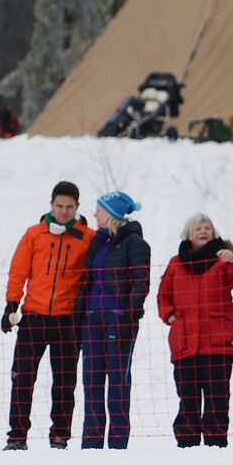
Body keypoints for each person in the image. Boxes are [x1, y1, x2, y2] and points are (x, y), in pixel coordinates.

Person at [1, 181, 94, 450]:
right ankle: (17, 435)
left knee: (64, 381)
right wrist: (11, 304)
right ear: (51, 205)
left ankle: (60, 434)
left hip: (67, 320)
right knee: (22, 377)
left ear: (77, 207)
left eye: (69, 207)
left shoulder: (87, 237)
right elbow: (19, 271)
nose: (63, 212)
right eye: (59, 206)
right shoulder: (34, 234)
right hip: (34, 317)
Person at [158, 213, 233, 448]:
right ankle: (187, 445)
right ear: (188, 234)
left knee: (216, 400)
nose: (203, 231)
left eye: (207, 228)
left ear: (214, 233)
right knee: (187, 399)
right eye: (197, 228)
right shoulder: (175, 263)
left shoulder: (225, 259)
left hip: (218, 345)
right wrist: (169, 315)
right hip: (184, 344)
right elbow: (163, 295)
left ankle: (216, 444)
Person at [76, 190, 150, 449]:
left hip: (118, 319)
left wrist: (129, 316)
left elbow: (141, 284)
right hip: (92, 320)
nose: (95, 213)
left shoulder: (136, 244)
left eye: (99, 209)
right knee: (92, 382)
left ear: (111, 213)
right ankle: (91, 445)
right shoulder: (97, 241)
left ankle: (118, 446)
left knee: (118, 383)